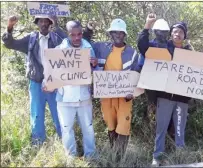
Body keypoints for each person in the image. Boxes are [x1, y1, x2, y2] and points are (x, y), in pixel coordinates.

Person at [137, 14, 194, 167]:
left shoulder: (190, 52)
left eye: (181, 32)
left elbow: (199, 71)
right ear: (171, 33)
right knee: (161, 128)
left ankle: (180, 156)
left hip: (182, 99)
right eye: (175, 31)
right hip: (164, 97)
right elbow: (143, 46)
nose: (178, 34)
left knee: (180, 128)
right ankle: (157, 156)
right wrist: (147, 25)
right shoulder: (161, 47)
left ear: (184, 35)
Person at [2, 15, 67, 145]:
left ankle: (65, 143)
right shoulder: (31, 39)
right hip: (36, 83)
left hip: (54, 84)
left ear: (50, 23)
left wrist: (58, 27)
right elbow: (10, 44)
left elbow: (69, 44)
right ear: (37, 23)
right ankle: (38, 145)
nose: (43, 24)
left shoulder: (56, 38)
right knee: (36, 114)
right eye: (41, 21)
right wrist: (9, 27)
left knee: (60, 114)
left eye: (46, 21)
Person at [84, 18, 140, 159]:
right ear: (110, 33)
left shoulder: (132, 53)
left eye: (120, 32)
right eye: (114, 32)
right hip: (106, 96)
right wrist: (88, 30)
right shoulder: (101, 47)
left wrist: (132, 92)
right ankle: (113, 154)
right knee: (111, 124)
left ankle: (120, 158)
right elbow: (84, 45)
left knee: (123, 125)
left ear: (124, 34)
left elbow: (136, 73)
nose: (117, 35)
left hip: (124, 98)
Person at [44, 21, 98, 159]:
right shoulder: (59, 51)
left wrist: (94, 64)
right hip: (64, 98)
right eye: (72, 35)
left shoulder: (88, 47)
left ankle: (91, 156)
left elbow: (94, 71)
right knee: (67, 129)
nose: (76, 38)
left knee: (88, 128)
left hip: (84, 97)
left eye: (79, 34)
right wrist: (47, 84)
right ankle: (71, 158)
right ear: (67, 35)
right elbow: (50, 71)